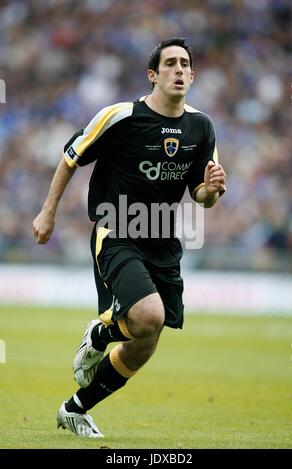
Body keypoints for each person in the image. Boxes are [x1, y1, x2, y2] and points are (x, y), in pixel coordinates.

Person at [33, 37, 226, 438]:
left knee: (146, 340)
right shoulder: (121, 116)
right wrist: (47, 211)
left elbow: (202, 197)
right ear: (153, 75)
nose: (178, 69)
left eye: (184, 64)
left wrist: (213, 190)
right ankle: (101, 332)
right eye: (169, 63)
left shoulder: (201, 126)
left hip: (163, 240)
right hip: (117, 230)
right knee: (148, 317)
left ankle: (75, 408)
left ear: (192, 75)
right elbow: (71, 157)